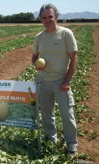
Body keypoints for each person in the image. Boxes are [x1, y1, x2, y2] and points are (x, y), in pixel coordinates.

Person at [32, 4, 78, 154]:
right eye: (44, 18)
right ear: (41, 20)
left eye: (50, 17)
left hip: (60, 81)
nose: (47, 20)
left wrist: (67, 81)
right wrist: (36, 65)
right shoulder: (39, 37)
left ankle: (71, 143)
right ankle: (51, 138)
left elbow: (73, 58)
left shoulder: (66, 34)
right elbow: (34, 57)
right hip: (43, 80)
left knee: (67, 113)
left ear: (56, 17)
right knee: (46, 113)